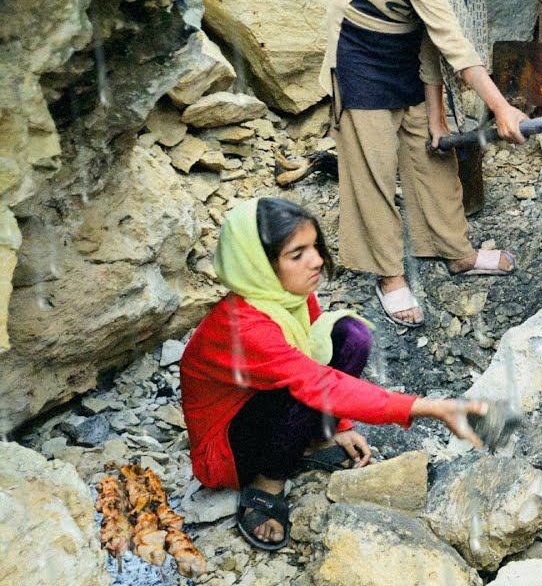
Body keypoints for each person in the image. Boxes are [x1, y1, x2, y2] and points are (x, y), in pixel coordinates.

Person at [180, 198, 488, 551]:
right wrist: (426, 407)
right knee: (302, 385)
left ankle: (314, 438)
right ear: (258, 264)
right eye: (297, 255)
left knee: (349, 335)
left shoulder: (285, 296)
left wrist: (339, 426)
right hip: (227, 450)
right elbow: (317, 382)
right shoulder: (243, 328)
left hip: (263, 407)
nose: (316, 260)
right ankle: (267, 482)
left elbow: (314, 357)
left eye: (314, 247)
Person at [320, 0, 527, 329]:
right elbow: (449, 35)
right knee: (373, 164)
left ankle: (457, 253)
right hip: (360, 51)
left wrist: (436, 119)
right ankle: (390, 275)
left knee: (432, 154)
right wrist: (500, 106)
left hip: (406, 50)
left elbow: (432, 44)